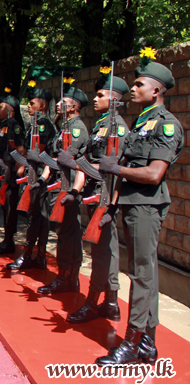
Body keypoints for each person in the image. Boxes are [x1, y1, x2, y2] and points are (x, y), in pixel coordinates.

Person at [95, 52, 183, 365]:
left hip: (146, 205)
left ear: (156, 90)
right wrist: (113, 203)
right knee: (145, 274)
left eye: (139, 84)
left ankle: (132, 342)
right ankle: (147, 343)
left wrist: (115, 169)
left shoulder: (166, 125)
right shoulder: (142, 121)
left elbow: (154, 173)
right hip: (132, 204)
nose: (132, 89)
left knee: (142, 275)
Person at [66, 67, 129, 324]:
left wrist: (112, 205)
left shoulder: (118, 128)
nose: (95, 98)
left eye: (100, 95)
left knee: (103, 251)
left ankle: (92, 302)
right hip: (96, 194)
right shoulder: (102, 126)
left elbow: (116, 169)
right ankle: (111, 303)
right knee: (105, 249)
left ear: (114, 99)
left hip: (105, 196)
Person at [37, 81, 89, 295]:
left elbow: (67, 158)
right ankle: (67, 276)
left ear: (74, 106)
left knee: (68, 233)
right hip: (61, 185)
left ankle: (67, 277)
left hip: (68, 187)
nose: (58, 104)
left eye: (64, 102)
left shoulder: (76, 128)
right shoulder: (65, 127)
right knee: (64, 232)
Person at [7, 83, 56, 271]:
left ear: (42, 106)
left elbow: (38, 152)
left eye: (32, 103)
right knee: (39, 216)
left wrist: (24, 159)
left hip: (41, 174)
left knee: (35, 217)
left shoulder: (42, 124)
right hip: (36, 173)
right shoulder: (36, 124)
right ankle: (39, 256)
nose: (28, 106)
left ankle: (29, 255)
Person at [0, 92, 26, 254]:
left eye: (0, 107)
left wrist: (17, 173)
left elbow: (21, 150)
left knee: (9, 205)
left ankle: (9, 241)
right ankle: (7, 239)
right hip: (1, 167)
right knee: (4, 205)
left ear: (10, 110)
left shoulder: (15, 127)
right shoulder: (2, 126)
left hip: (10, 169)